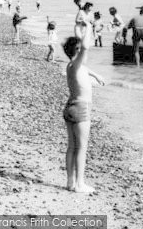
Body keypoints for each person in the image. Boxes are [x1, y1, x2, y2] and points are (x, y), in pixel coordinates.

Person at [62, 22, 105, 193]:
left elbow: (85, 68)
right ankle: (80, 184)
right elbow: (86, 47)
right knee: (82, 147)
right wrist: (88, 27)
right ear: (77, 51)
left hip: (70, 107)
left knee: (72, 146)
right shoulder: (77, 64)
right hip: (81, 109)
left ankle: (70, 182)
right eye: (81, 51)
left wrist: (96, 74)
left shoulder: (72, 66)